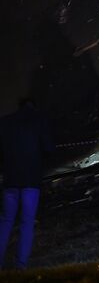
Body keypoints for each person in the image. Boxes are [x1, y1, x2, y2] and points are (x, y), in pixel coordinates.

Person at [0, 98, 54, 270]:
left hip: (11, 181)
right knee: (27, 222)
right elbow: (49, 149)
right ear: (34, 106)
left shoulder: (5, 122)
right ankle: (20, 265)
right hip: (31, 181)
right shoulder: (39, 121)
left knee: (6, 220)